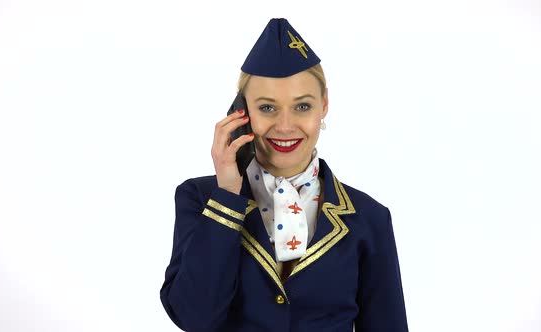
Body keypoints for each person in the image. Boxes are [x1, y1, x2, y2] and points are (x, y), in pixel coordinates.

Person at [160, 18, 409, 332]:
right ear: (241, 111)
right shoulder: (200, 198)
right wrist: (226, 195)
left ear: (324, 105)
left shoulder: (369, 217)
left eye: (302, 107)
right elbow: (194, 317)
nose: (286, 126)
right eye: (267, 108)